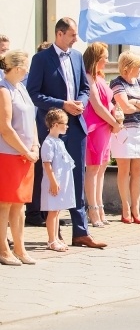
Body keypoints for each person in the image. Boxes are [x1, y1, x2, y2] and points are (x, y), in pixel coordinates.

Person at [27, 18, 106, 248]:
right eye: (72, 35)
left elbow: (83, 88)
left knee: (77, 178)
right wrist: (63, 104)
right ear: (59, 34)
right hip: (52, 129)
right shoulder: (41, 59)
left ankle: (81, 231)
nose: (76, 39)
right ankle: (55, 232)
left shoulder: (77, 57)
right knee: (53, 178)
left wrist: (79, 103)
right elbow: (34, 94)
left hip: (76, 125)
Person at [0, 50, 39, 265]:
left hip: (25, 155)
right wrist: (26, 150)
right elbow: (5, 128)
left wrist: (35, 145)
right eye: (26, 65)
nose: (28, 70)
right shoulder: (4, 90)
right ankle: (3, 250)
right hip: (8, 154)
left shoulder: (21, 88)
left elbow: (31, 119)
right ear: (17, 68)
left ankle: (20, 248)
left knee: (19, 204)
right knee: (5, 204)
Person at [109, 51, 140, 224]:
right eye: (138, 66)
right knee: (124, 170)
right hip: (123, 131)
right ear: (128, 68)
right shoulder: (116, 83)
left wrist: (133, 102)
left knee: (137, 170)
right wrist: (137, 104)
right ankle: (125, 207)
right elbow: (124, 108)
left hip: (139, 129)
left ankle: (136, 207)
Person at [83, 43, 121, 227]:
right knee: (93, 168)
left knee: (102, 168)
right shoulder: (88, 78)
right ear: (95, 58)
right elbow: (97, 106)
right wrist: (114, 123)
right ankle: (92, 209)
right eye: (104, 57)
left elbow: (108, 103)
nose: (107, 60)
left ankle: (100, 207)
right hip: (96, 127)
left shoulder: (100, 78)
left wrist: (117, 115)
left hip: (106, 127)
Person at [41, 109, 77, 252]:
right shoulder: (49, 143)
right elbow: (47, 163)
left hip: (60, 182)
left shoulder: (59, 141)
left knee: (57, 211)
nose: (67, 126)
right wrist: (53, 181)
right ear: (55, 124)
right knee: (52, 212)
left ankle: (56, 238)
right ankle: (51, 240)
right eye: (64, 124)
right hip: (53, 183)